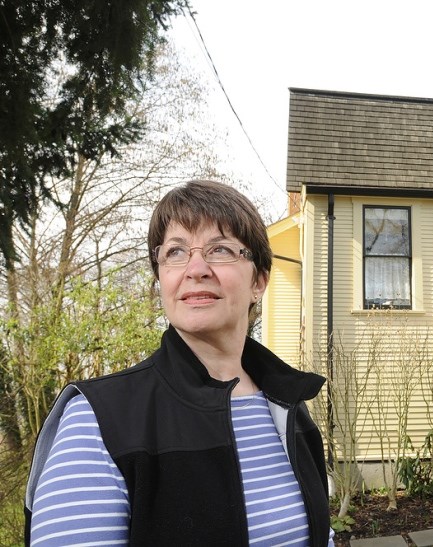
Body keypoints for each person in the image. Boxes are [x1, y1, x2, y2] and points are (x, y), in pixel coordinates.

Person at [25, 180, 334, 546]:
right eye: (175, 252)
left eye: (220, 249)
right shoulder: (99, 420)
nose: (196, 268)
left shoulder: (289, 407)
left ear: (259, 282)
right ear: (161, 281)